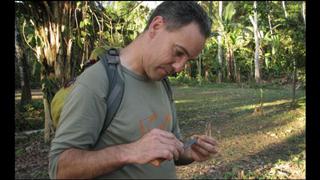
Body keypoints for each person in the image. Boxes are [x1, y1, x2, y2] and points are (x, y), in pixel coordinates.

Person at [49, 1, 218, 179]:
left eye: (187, 60)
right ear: (156, 26)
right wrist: (130, 151)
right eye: (178, 52)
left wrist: (188, 151)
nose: (179, 67)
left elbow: (172, 147)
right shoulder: (98, 81)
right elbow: (59, 168)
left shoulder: (162, 81)